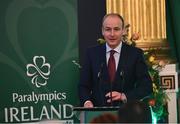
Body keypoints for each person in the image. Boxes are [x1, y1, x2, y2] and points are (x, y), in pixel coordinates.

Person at [78, 13, 152, 107]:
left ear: (123, 31)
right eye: (108, 29)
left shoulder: (135, 54)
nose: (112, 34)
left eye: (116, 29)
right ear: (102, 31)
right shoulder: (91, 54)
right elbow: (83, 86)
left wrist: (124, 96)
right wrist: (87, 102)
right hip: (98, 116)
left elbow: (146, 87)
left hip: (126, 114)